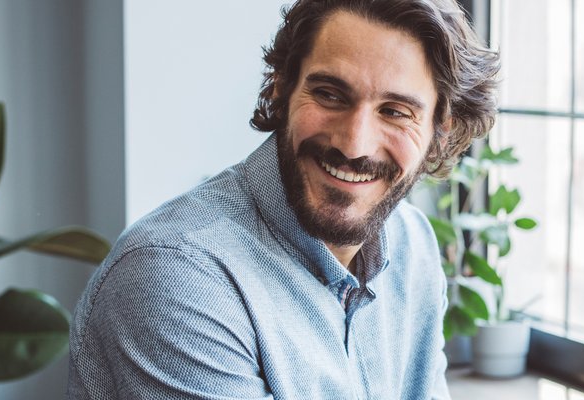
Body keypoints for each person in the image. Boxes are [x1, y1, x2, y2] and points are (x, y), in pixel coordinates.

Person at [66, 0, 498, 398]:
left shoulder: (414, 247)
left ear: (439, 132)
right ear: (281, 89)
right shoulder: (173, 278)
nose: (354, 144)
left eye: (395, 112)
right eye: (330, 95)